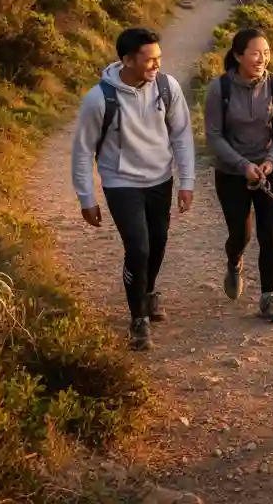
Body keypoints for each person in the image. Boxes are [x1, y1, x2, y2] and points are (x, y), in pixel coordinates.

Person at [71, 27, 195, 351]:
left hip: (160, 179)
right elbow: (83, 150)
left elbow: (181, 134)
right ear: (127, 60)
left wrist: (187, 181)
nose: (156, 65)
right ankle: (138, 318)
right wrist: (87, 197)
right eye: (149, 59)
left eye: (159, 58)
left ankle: (149, 290)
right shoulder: (99, 99)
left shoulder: (167, 88)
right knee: (138, 249)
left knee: (158, 243)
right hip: (121, 182)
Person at [204, 28, 273, 322]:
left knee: (269, 233)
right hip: (231, 173)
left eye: (266, 53)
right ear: (238, 55)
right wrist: (244, 166)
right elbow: (214, 137)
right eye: (255, 53)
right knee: (241, 234)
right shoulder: (220, 88)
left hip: (269, 170)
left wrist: (269, 160)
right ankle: (234, 260)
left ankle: (268, 298)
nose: (262, 58)